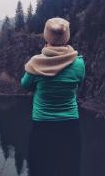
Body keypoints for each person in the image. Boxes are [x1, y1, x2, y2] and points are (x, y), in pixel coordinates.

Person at [21, 17, 85, 176]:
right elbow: (79, 81)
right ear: (67, 36)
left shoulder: (36, 64)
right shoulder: (78, 64)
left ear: (46, 36)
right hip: (70, 126)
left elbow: (25, 84)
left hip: (42, 127)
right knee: (69, 169)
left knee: (40, 170)